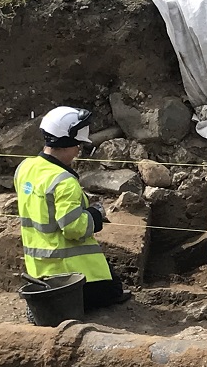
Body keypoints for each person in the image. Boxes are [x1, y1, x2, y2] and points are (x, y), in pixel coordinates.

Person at [15, 106, 129, 312]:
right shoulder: (64, 181)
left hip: (38, 271)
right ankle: (60, 304)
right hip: (67, 273)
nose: (78, 151)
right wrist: (95, 216)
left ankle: (47, 301)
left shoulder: (25, 168)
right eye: (77, 145)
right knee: (113, 289)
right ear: (67, 144)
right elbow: (73, 228)